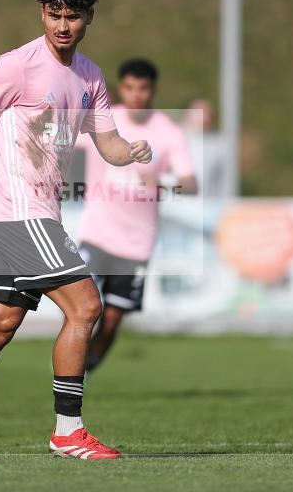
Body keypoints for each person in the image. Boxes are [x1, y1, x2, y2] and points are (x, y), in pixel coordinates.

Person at [0, 0, 152, 461]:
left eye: (73, 16)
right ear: (41, 14)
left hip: (32, 215)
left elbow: (107, 143)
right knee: (87, 307)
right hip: (21, 214)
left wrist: (130, 151)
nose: (63, 25)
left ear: (89, 17)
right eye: (54, 15)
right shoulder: (16, 65)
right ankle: (67, 432)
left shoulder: (90, 76)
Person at [75, 59, 196, 374]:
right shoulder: (103, 120)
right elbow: (60, 140)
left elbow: (191, 184)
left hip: (136, 244)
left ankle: (87, 367)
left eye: (143, 88)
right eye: (130, 87)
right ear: (121, 87)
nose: (137, 94)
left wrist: (166, 183)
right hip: (97, 234)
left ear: (153, 90)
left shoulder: (168, 133)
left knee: (113, 318)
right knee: (80, 306)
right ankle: (69, 370)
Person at [182, 98, 225, 198]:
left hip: (209, 206)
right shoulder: (173, 139)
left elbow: (224, 180)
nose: (203, 117)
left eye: (206, 113)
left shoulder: (218, 145)